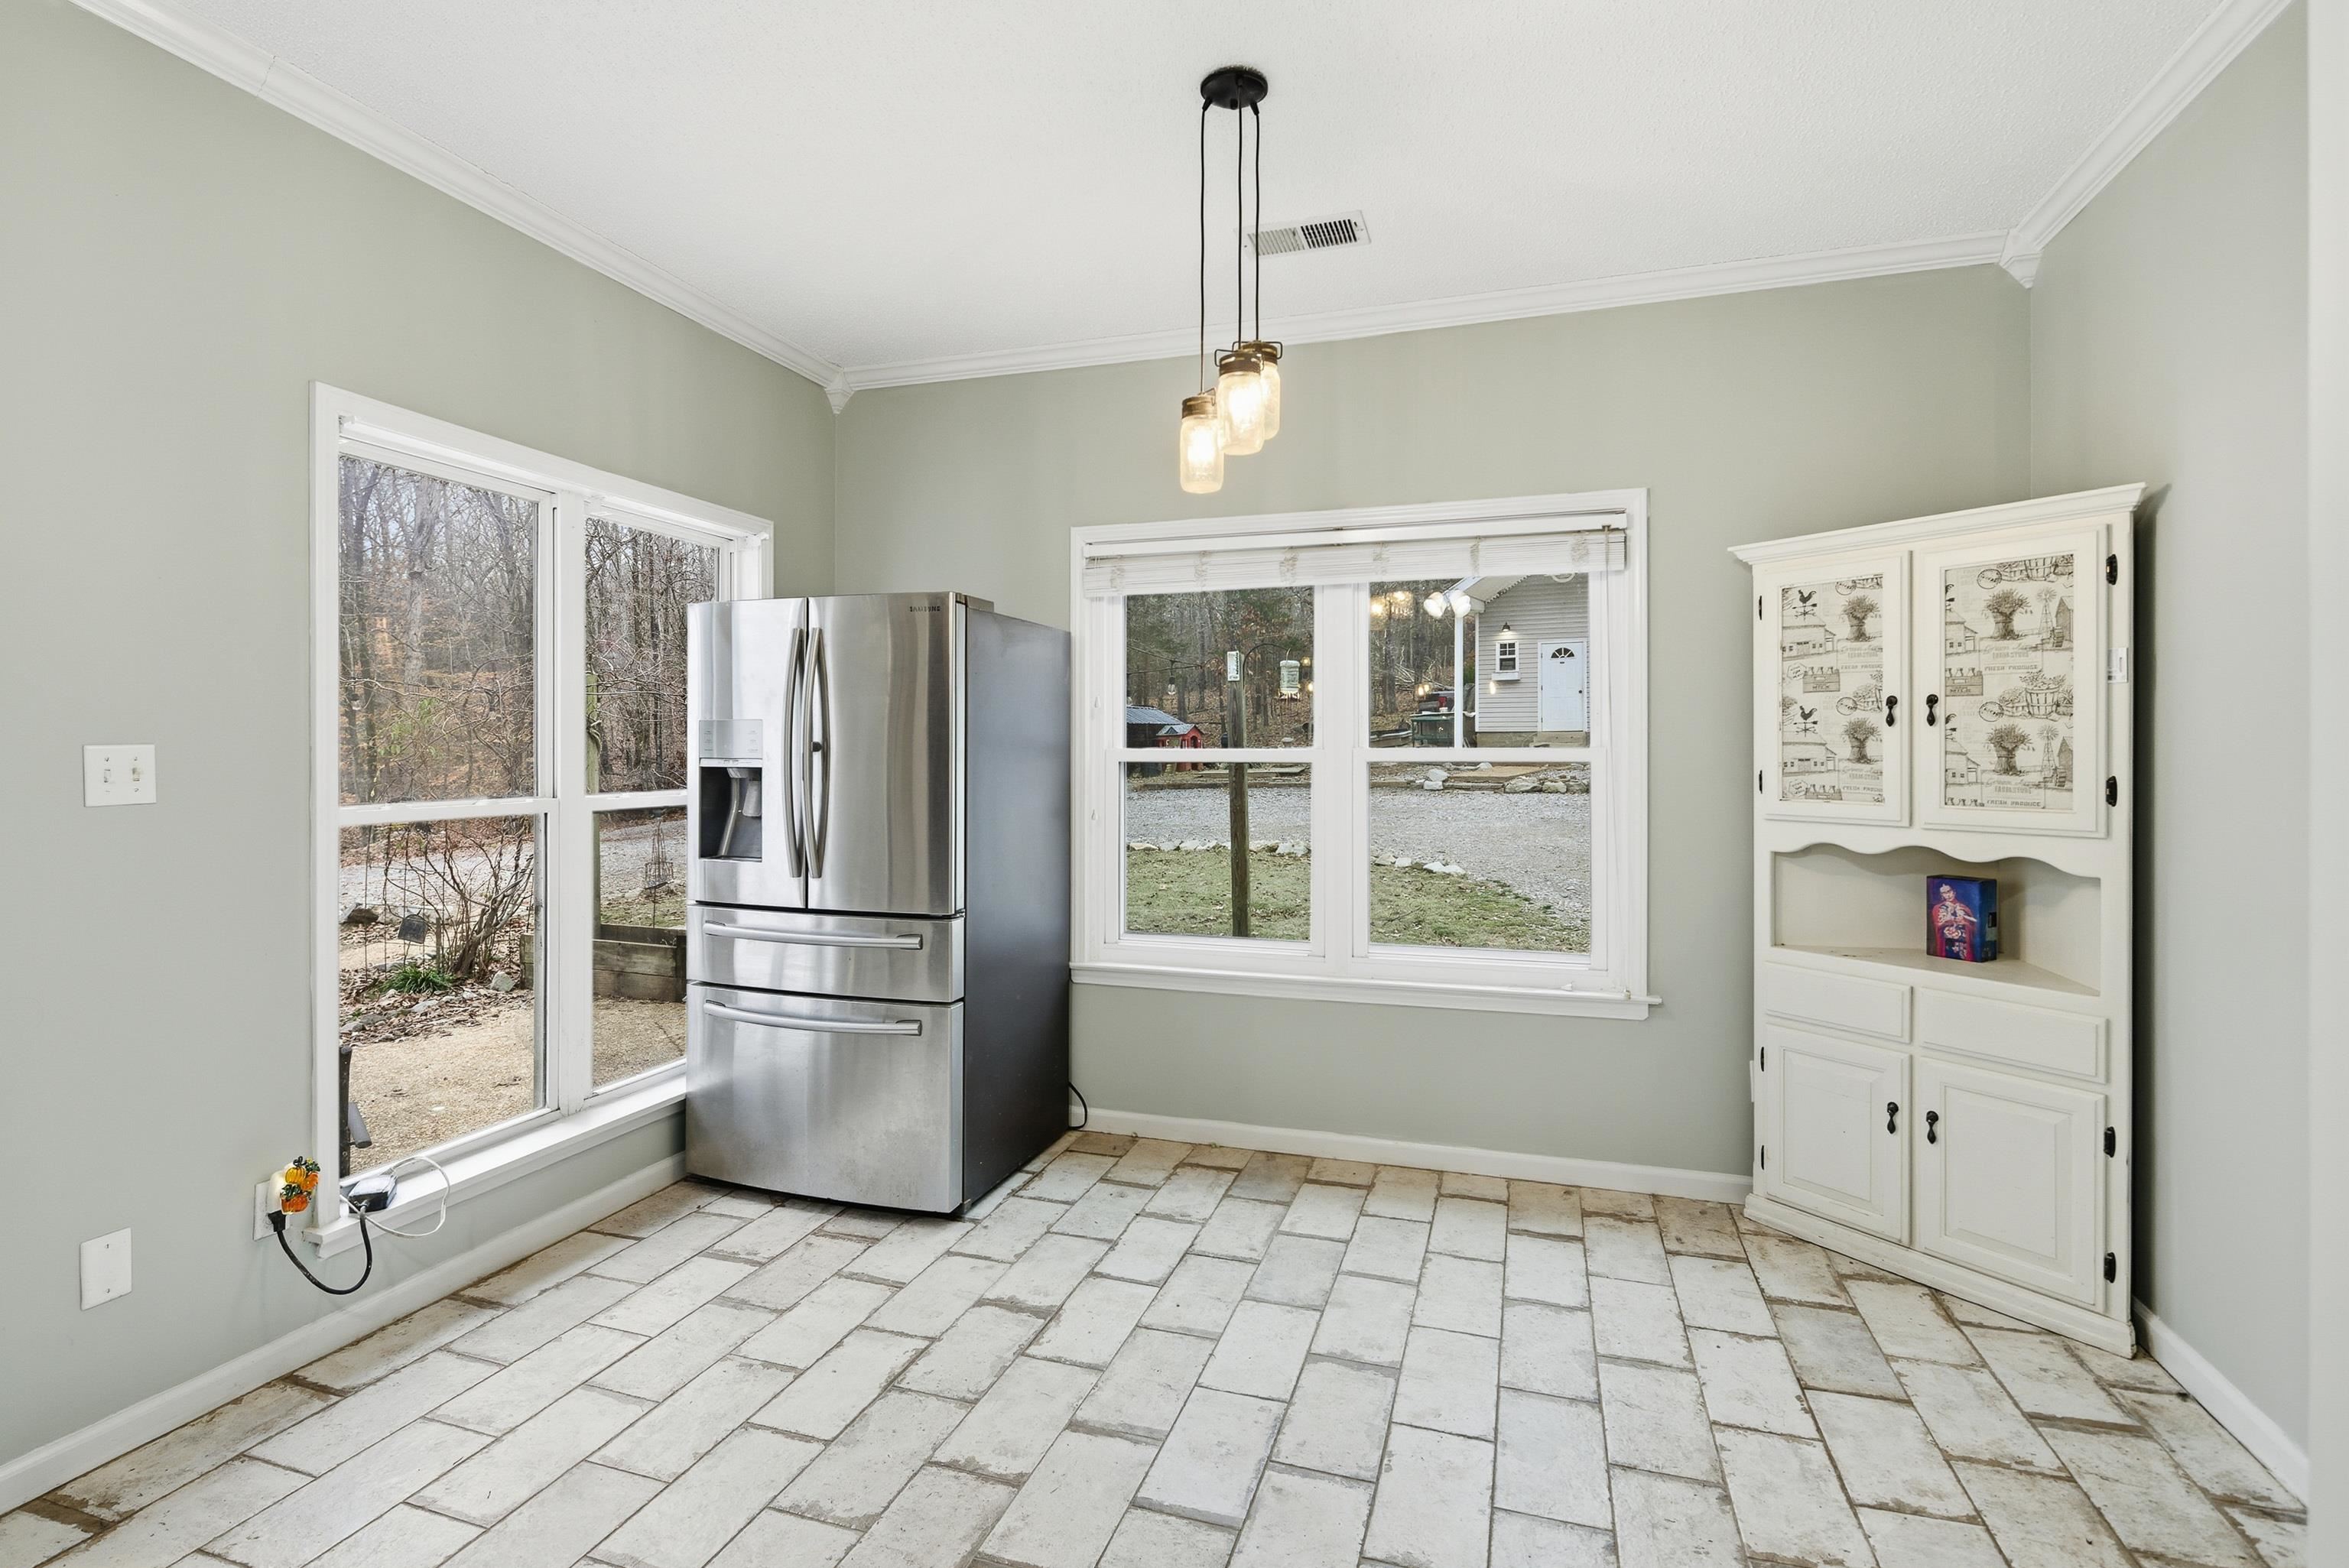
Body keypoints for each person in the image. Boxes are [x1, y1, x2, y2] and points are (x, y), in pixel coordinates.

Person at [1932, 881, 1980, 961]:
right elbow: (1937, 927)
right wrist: (1948, 922)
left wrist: (1965, 923)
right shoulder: (1938, 908)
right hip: (1947, 943)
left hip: (1962, 943)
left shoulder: (1964, 908)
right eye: (1944, 893)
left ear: (1954, 892)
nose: (1948, 895)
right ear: (1942, 895)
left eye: (1949, 891)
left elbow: (1974, 928)